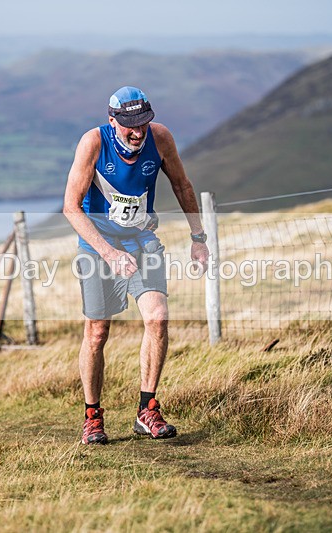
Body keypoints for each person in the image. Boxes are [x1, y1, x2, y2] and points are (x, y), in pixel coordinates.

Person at [63, 86, 210, 445]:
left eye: (143, 123)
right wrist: (108, 254)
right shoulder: (93, 143)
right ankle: (93, 416)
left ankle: (147, 410)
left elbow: (181, 184)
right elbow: (71, 206)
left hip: (142, 240)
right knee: (97, 333)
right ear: (112, 120)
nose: (137, 131)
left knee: (157, 318)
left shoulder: (160, 140)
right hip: (99, 244)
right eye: (129, 125)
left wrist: (198, 238)